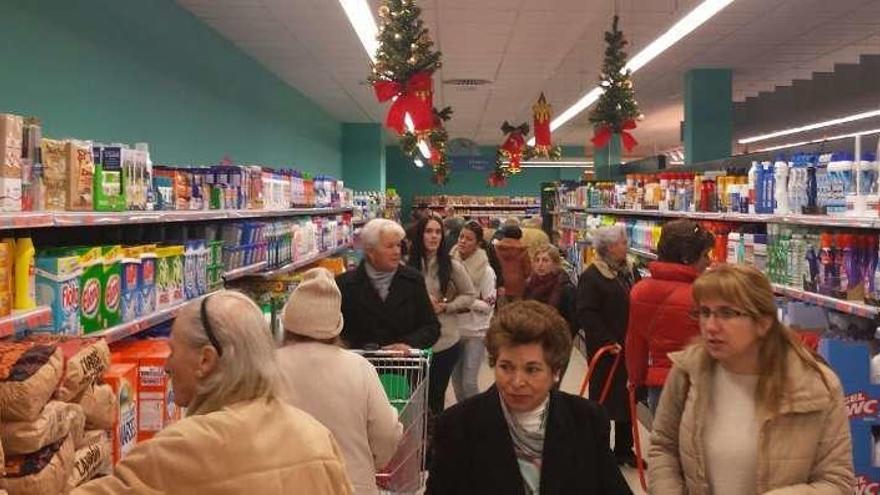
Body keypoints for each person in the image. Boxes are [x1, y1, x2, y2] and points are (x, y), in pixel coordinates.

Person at [74, 291, 353, 494]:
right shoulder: (315, 435)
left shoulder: (183, 447)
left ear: (205, 360)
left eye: (173, 350)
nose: (167, 365)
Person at [649, 264, 854, 494]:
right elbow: (664, 448)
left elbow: (838, 483)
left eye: (727, 313)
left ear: (763, 322)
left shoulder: (816, 385)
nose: (710, 326)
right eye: (704, 312)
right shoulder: (687, 372)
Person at [426, 300, 632, 495]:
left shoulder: (587, 420)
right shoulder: (457, 426)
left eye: (532, 369)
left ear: (556, 371)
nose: (517, 382)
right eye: (506, 367)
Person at [277, 268, 403, 495]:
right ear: (336, 327)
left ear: (286, 324)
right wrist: (370, 462)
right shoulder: (359, 367)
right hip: (350, 485)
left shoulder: (266, 369)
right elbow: (386, 433)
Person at [625, 218, 715, 413]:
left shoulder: (639, 291)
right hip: (698, 387)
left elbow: (635, 343)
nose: (710, 261)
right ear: (686, 258)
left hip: (659, 387)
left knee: (663, 441)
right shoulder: (703, 296)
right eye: (705, 255)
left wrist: (636, 381)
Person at [576, 224, 640, 467]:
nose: (626, 246)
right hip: (607, 352)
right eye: (623, 242)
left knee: (628, 401)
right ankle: (600, 451)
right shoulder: (592, 276)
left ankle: (625, 450)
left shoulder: (630, 271)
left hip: (629, 347)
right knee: (602, 402)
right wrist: (607, 341)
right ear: (610, 247)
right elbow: (586, 313)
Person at [407, 215, 475, 415]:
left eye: (438, 232)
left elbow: (469, 295)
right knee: (414, 396)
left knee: (436, 396)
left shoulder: (451, 265)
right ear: (420, 235)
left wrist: (446, 306)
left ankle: (434, 440)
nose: (434, 236)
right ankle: (417, 439)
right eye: (429, 231)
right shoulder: (405, 265)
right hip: (414, 341)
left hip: (445, 341)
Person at [338, 218, 440, 351]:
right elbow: (336, 330)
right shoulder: (345, 285)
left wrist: (408, 344)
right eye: (390, 246)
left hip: (402, 367)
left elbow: (431, 327)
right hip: (360, 367)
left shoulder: (413, 280)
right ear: (370, 251)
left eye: (398, 245)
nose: (397, 252)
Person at [450, 221, 497, 401]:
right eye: (461, 237)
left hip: (475, 333)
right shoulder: (450, 265)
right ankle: (463, 418)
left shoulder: (486, 271)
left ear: (478, 243)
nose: (462, 241)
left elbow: (488, 307)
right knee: (456, 381)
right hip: (454, 330)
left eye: (469, 239)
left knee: (469, 382)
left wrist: (465, 299)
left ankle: (476, 418)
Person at [524, 243, 577, 338]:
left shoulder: (565, 287)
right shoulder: (529, 284)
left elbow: (574, 321)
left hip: (555, 339)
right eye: (537, 260)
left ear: (555, 264)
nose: (540, 264)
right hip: (532, 337)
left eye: (545, 260)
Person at [494, 225, 531, 303]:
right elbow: (527, 270)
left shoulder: (496, 248)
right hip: (518, 285)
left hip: (500, 284)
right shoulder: (522, 250)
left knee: (502, 311)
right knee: (516, 311)